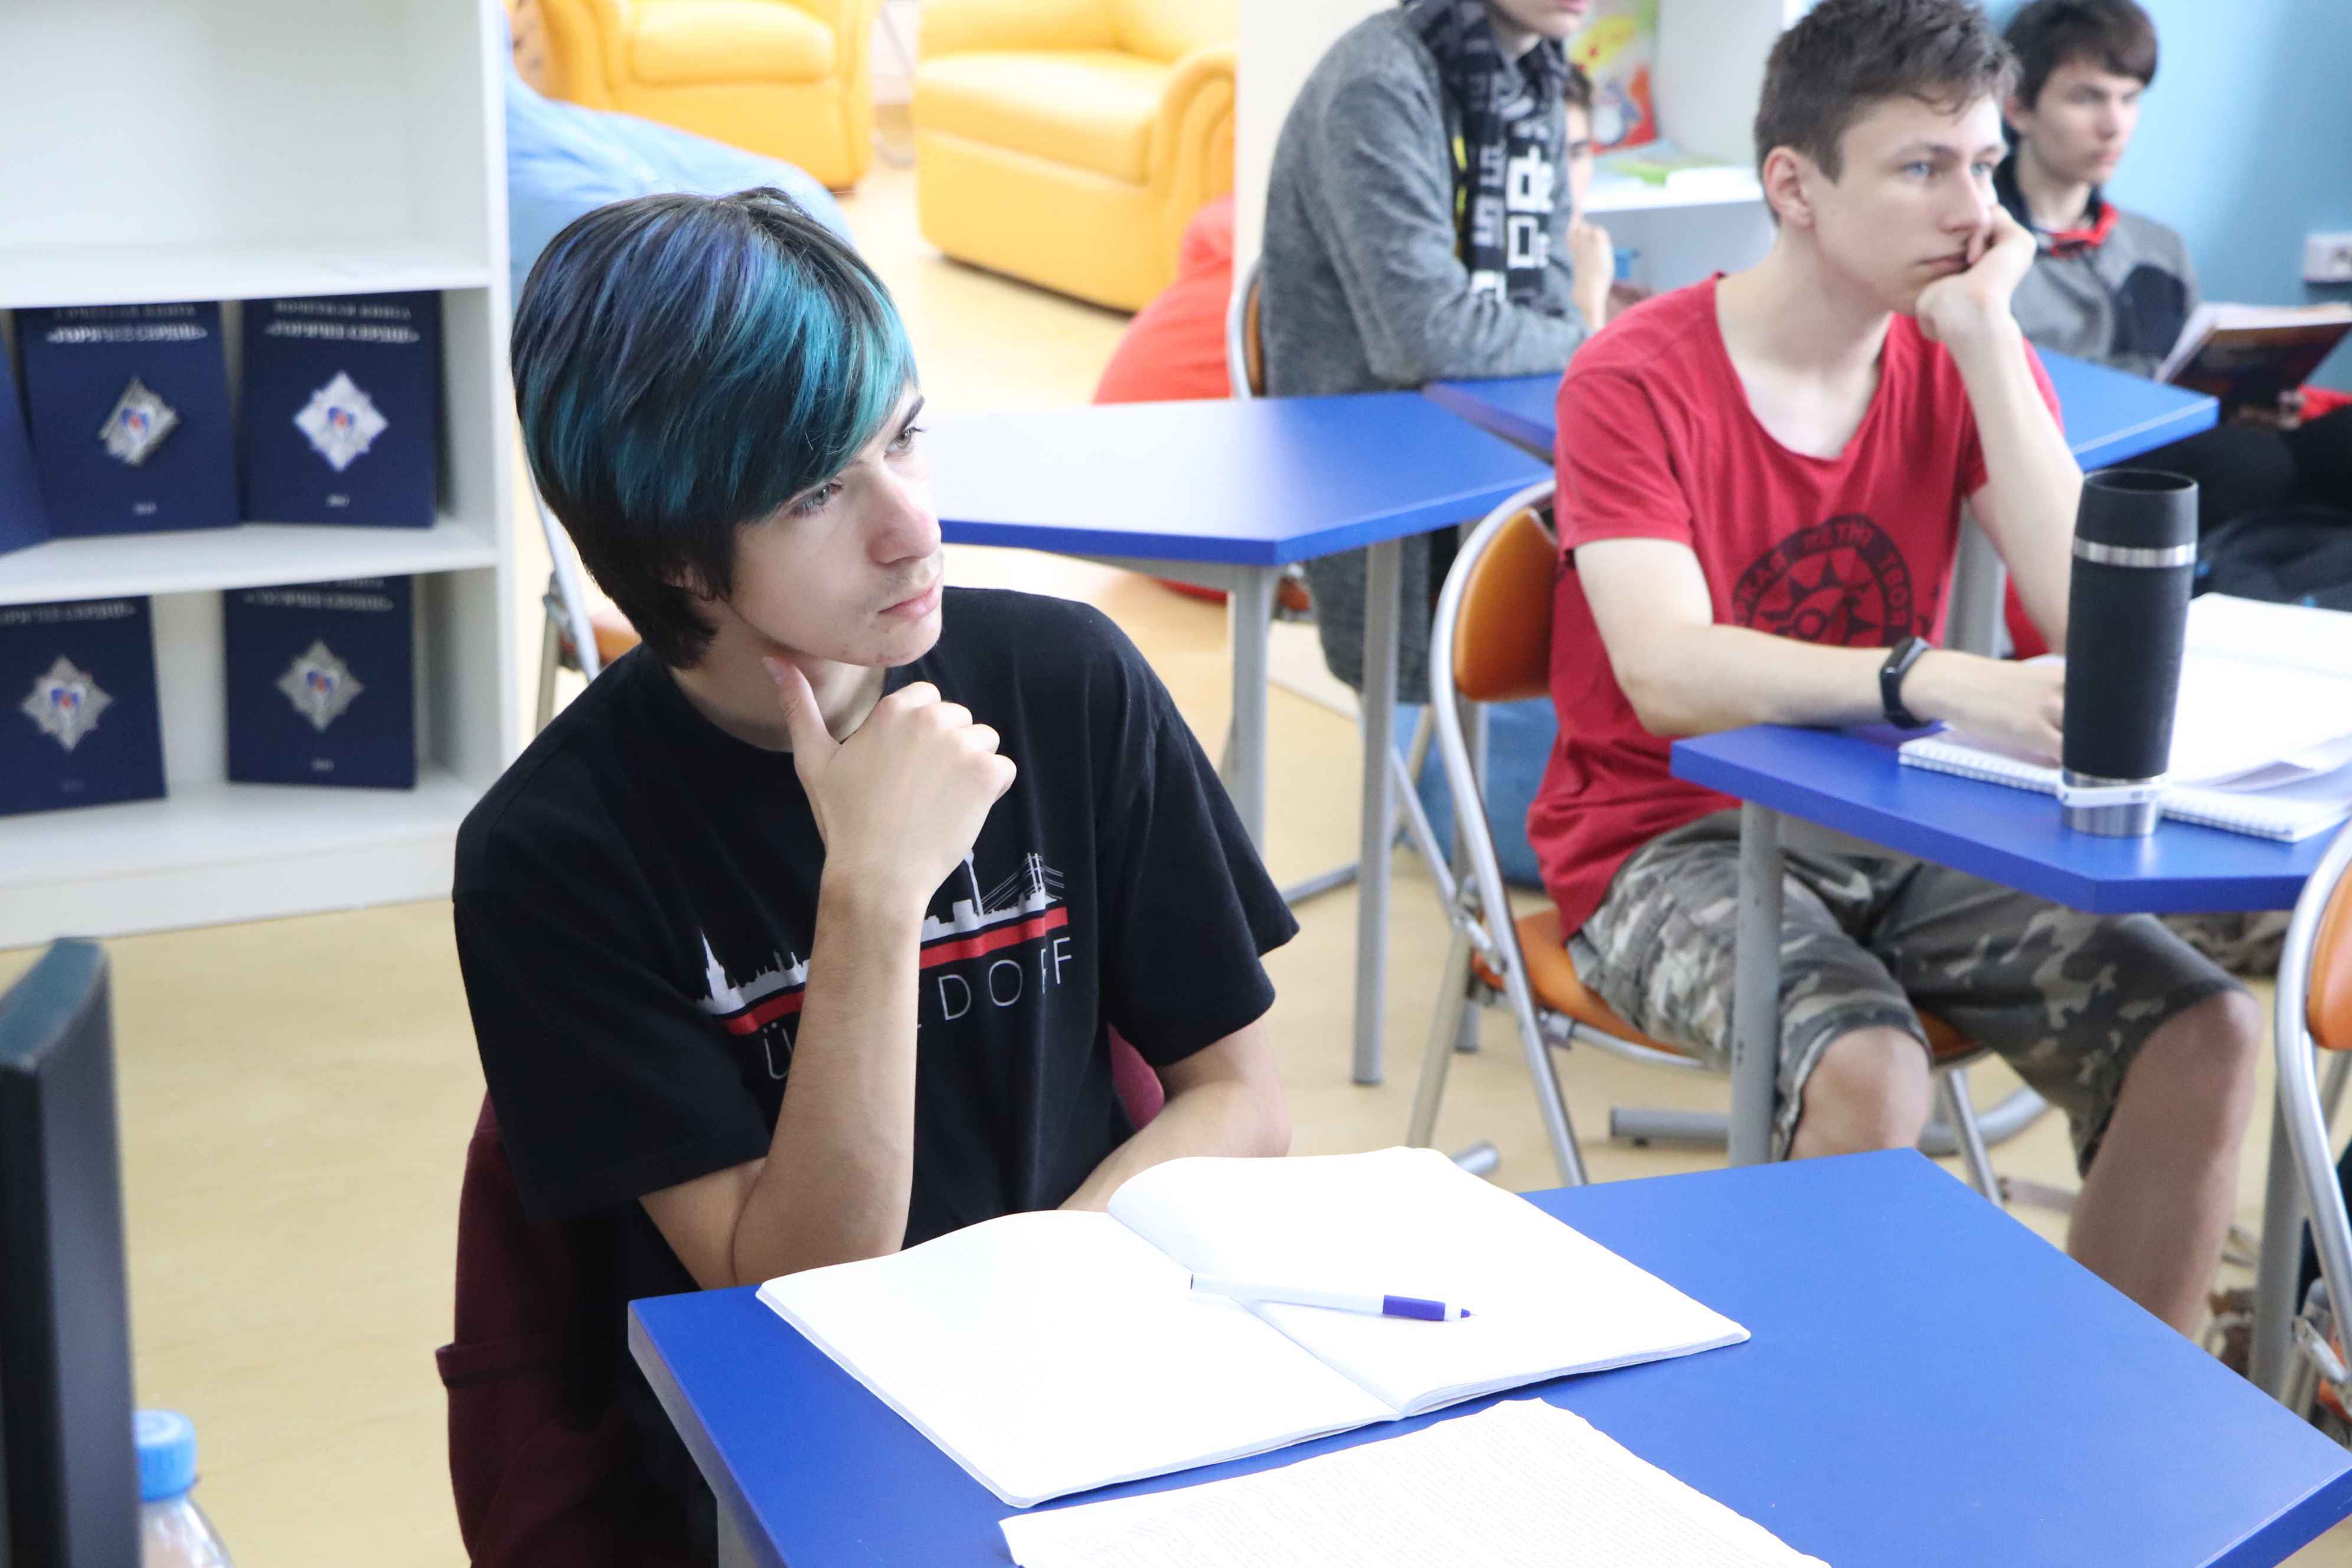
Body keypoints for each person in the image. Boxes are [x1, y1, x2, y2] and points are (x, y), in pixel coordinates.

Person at [456, 188, 1296, 1556]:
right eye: (817, 491)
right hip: (786, 1464)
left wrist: (1043, 1295)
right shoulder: (551, 855)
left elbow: (1243, 1099)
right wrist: (872, 894)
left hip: (1092, 1380)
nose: (912, 528)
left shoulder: (1067, 682)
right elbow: (796, 1288)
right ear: (678, 558)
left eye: (904, 437)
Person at [1528, 0, 2261, 1338]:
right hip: (1660, 841)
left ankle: (2110, 1418)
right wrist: (1924, 678)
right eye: (1921, 168)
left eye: (1981, 165)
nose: (1972, 210)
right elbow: (1666, 676)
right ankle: (1818, 1427)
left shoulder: (1957, 352)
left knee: (2202, 1035)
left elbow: (2088, 628)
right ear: (1793, 186)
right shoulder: (1632, 377)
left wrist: (1986, 340)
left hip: (1892, 824)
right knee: (1868, 1068)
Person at [1262, 0, 1615, 703]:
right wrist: (1592, 336)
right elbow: (1425, 334)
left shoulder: (1537, 81)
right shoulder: (1378, 83)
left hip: (1495, 437)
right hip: (1376, 466)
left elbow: (1545, 298)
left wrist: (1584, 334)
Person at [1998, 0, 2352, 537]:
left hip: (2201, 447)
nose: (2114, 125)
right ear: (2019, 109)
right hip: (2086, 470)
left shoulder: (2157, 246)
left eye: (2129, 99)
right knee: (2252, 463)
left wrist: (2250, 401)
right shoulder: (1985, 249)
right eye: (2086, 98)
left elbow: (2192, 372)